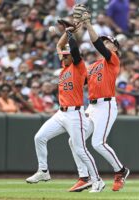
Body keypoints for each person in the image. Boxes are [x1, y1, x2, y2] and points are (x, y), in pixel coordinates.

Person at [26, 25, 104, 193]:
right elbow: (59, 47)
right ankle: (43, 171)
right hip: (61, 113)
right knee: (39, 137)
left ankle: (97, 180)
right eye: (64, 55)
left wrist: (70, 33)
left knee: (80, 149)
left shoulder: (78, 66)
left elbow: (74, 50)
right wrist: (65, 31)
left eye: (67, 56)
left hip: (75, 114)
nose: (64, 56)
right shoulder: (64, 69)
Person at [69, 12, 130, 192]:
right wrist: (70, 36)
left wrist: (88, 24)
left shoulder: (113, 60)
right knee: (74, 140)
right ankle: (84, 176)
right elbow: (80, 77)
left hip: (107, 105)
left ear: (115, 47)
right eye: (104, 41)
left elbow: (97, 45)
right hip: (92, 107)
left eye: (108, 41)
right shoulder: (94, 66)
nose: (104, 43)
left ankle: (120, 171)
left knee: (98, 143)